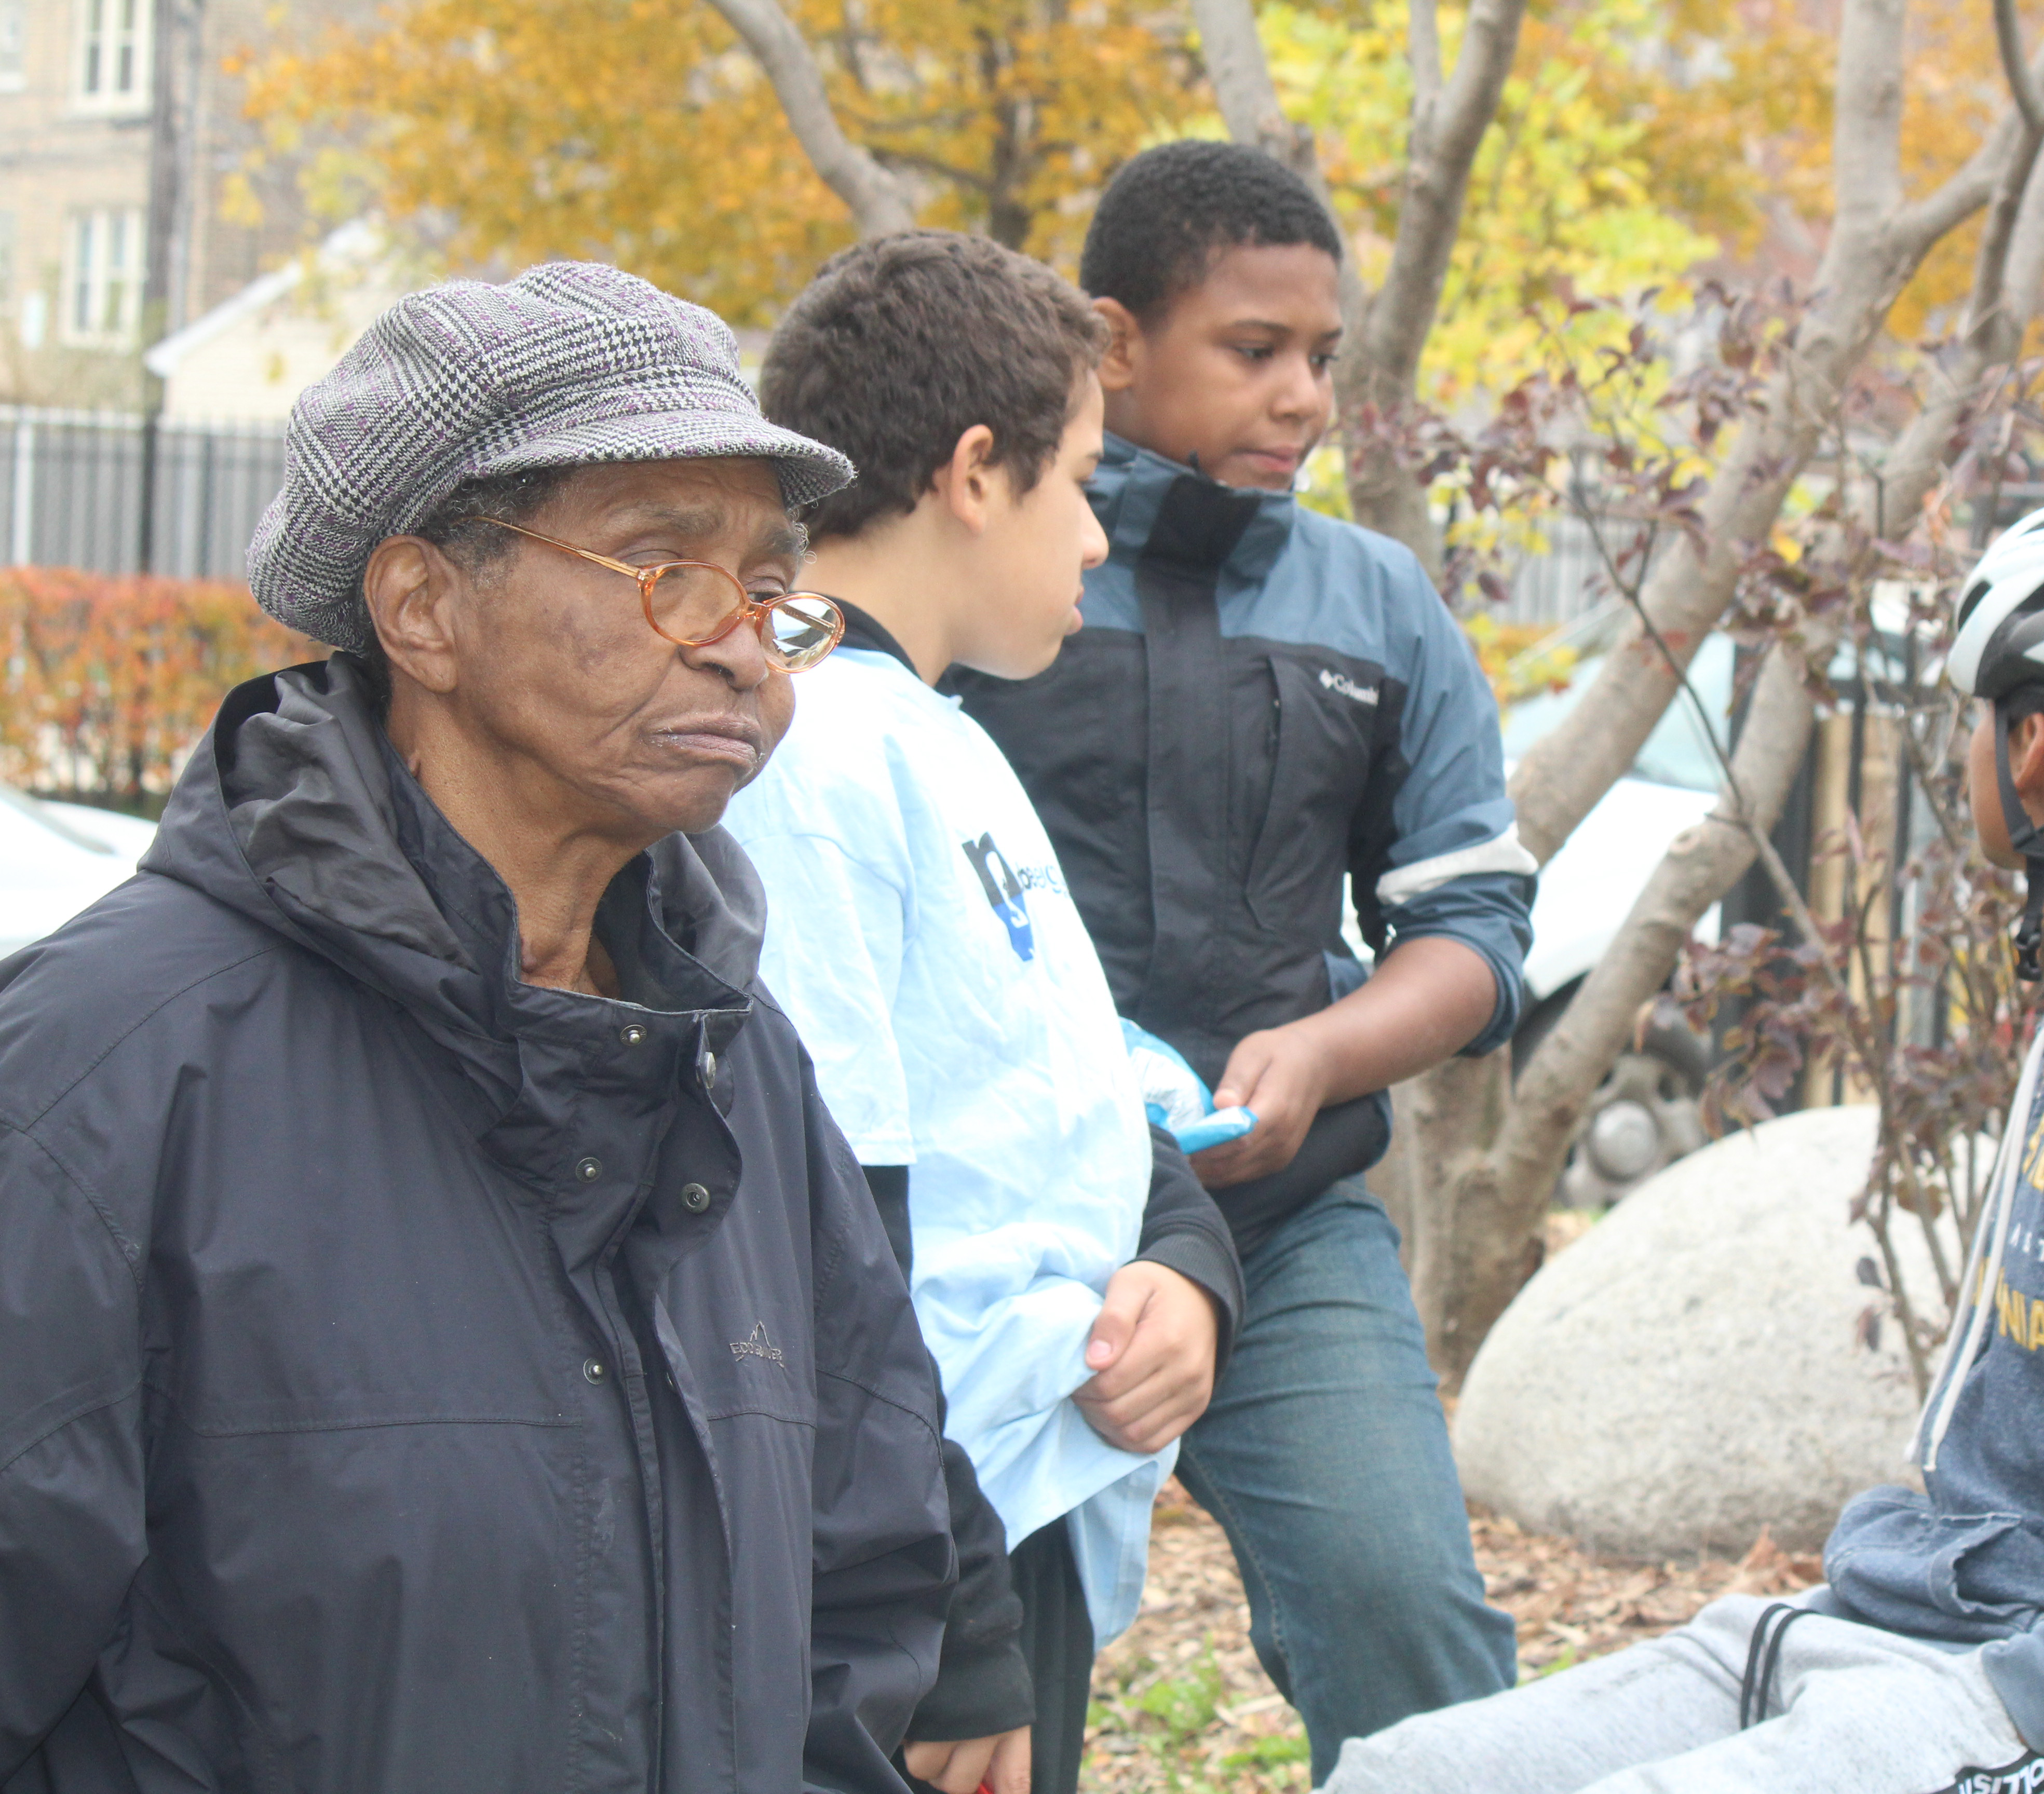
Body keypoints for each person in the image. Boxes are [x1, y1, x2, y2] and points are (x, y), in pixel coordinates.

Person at [0, 263, 958, 1791]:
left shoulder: (737, 1062)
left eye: (771, 589)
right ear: (424, 609)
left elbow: (865, 1571)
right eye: (665, 565)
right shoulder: (106, 1066)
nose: (740, 647)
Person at [1322, 483, 2044, 1794]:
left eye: (1979, 716)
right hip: (1922, 1634)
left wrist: (2011, 1705)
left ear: (2032, 751)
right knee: (1403, 1778)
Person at [943, 140, 1531, 1775]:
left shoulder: (1378, 603)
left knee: (1408, 1621)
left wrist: (1325, 1055)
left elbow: (1476, 934)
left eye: (1324, 358)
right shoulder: (989, 575)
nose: (1304, 399)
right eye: (1255, 349)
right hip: (1004, 1241)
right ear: (1115, 343)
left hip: (1281, 1226)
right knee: (975, 1700)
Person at [726, 230, 1245, 1794]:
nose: (1095, 537)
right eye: (1080, 482)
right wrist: (944, 1617)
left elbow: (1052, 1084)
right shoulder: (810, 758)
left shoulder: (930, 732)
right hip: (911, 1551)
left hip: (1009, 1486)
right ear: (971, 474)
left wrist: (1185, 1266)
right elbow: (824, 1216)